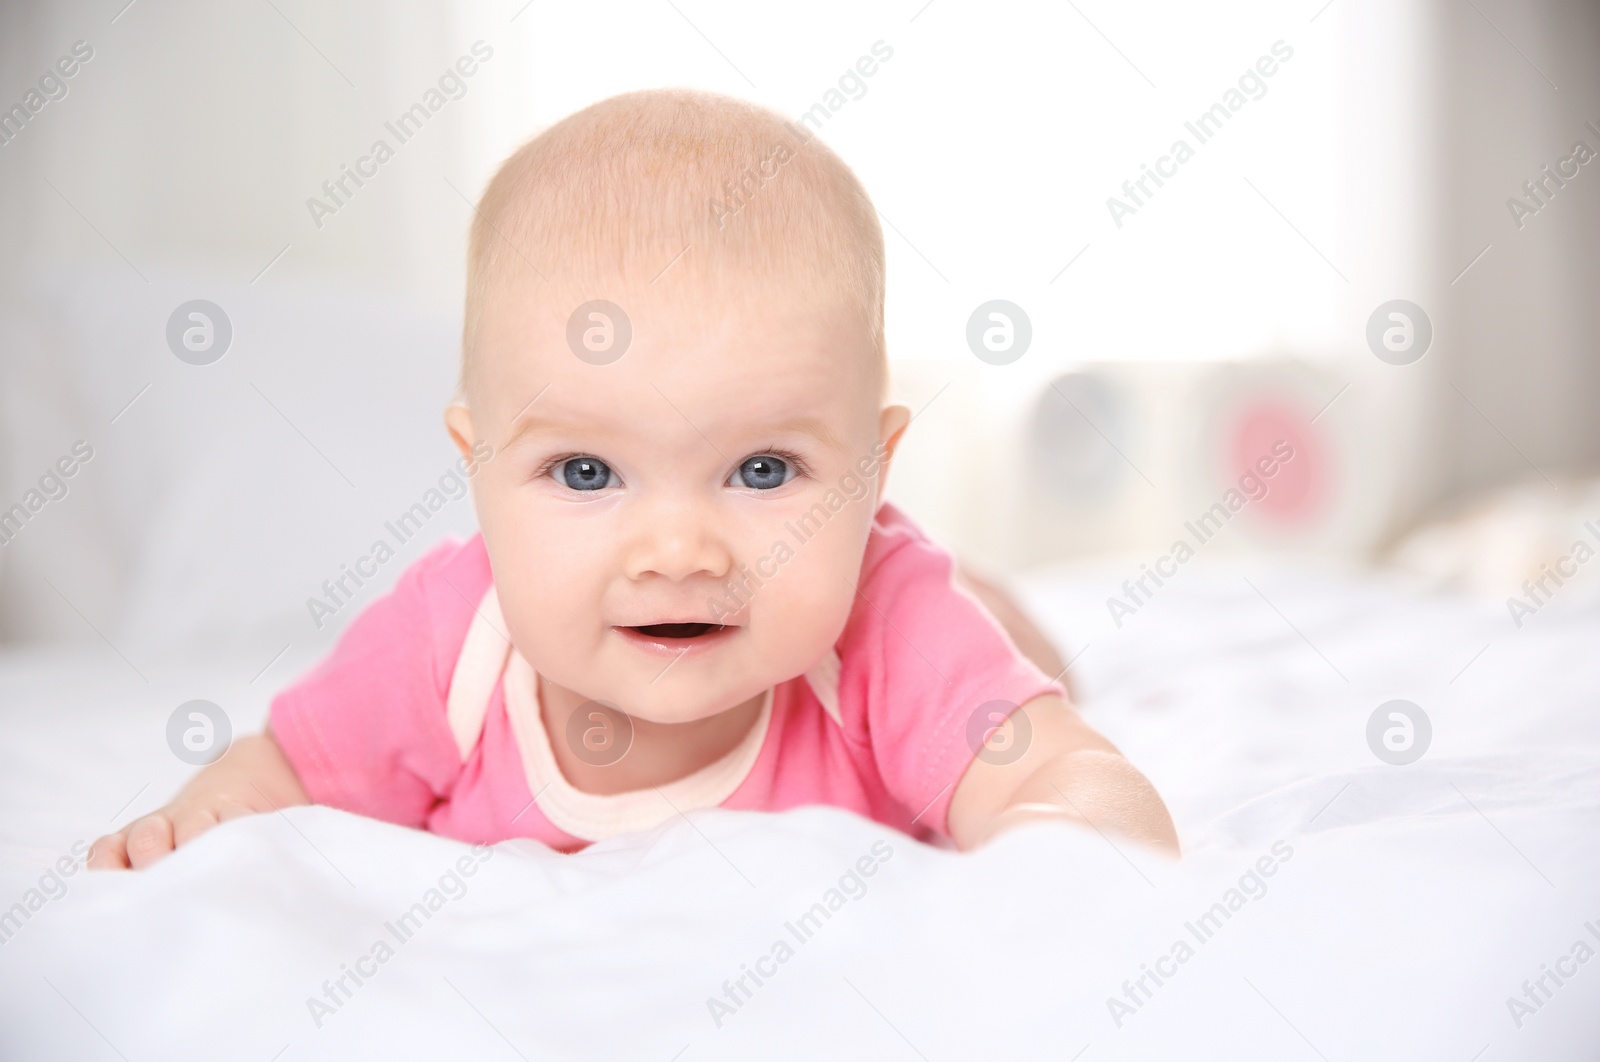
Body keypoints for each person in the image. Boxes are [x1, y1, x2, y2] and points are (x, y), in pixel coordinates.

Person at [91, 89, 1175, 869]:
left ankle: (999, 608)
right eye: (585, 470)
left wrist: (1063, 837)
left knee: (1001, 640)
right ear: (476, 472)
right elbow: (286, 767)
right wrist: (199, 823)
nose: (677, 551)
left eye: (761, 470)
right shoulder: (450, 640)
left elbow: (1072, 786)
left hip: (924, 614)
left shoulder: (885, 623)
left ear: (874, 469)